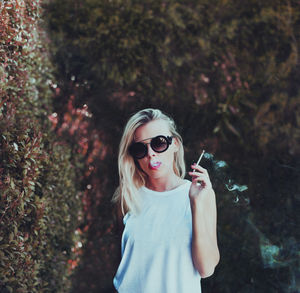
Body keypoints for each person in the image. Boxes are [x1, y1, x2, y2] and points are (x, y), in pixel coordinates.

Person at [112, 108, 219, 293]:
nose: (150, 154)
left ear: (175, 144)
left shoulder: (201, 194)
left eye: (158, 143)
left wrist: (195, 204)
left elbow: (206, 269)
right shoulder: (128, 197)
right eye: (140, 148)